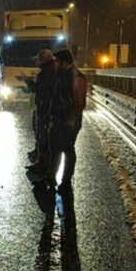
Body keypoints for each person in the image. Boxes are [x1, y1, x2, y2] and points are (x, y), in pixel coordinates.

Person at [49, 49, 87, 192]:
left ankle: (65, 180)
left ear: (64, 62)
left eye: (57, 61)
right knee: (57, 148)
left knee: (67, 149)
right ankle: (53, 177)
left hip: (70, 120)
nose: (55, 64)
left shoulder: (76, 77)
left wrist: (71, 119)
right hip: (60, 118)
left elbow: (79, 102)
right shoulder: (62, 74)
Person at [25, 49, 57, 180]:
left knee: (45, 140)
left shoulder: (48, 72)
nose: (37, 61)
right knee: (42, 138)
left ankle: (46, 169)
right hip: (44, 109)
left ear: (43, 59)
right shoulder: (49, 70)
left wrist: (30, 83)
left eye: (38, 59)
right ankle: (43, 166)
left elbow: (42, 90)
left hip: (46, 111)